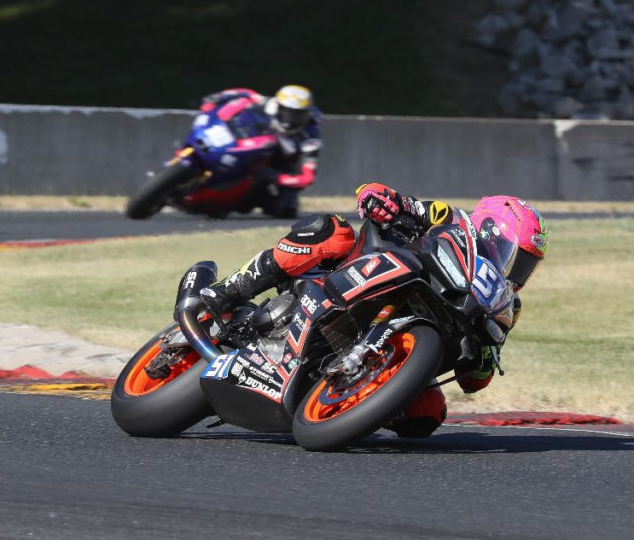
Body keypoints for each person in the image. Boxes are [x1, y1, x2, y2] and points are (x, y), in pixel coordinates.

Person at [199, 182, 549, 438]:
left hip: (405, 336)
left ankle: (348, 400)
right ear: (490, 230)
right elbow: (382, 194)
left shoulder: (505, 306)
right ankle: (230, 290)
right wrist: (382, 200)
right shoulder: (451, 220)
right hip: (356, 274)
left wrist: (485, 356)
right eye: (515, 256)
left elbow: (474, 382)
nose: (517, 271)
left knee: (426, 416)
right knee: (331, 231)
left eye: (526, 265)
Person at [199, 84, 322, 218]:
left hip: (276, 166)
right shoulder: (265, 104)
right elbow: (245, 92)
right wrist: (215, 99)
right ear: (278, 106)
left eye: (298, 114)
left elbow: (307, 177)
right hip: (247, 145)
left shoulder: (311, 137)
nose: (291, 118)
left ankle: (245, 199)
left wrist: (276, 177)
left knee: (286, 210)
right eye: (287, 111)